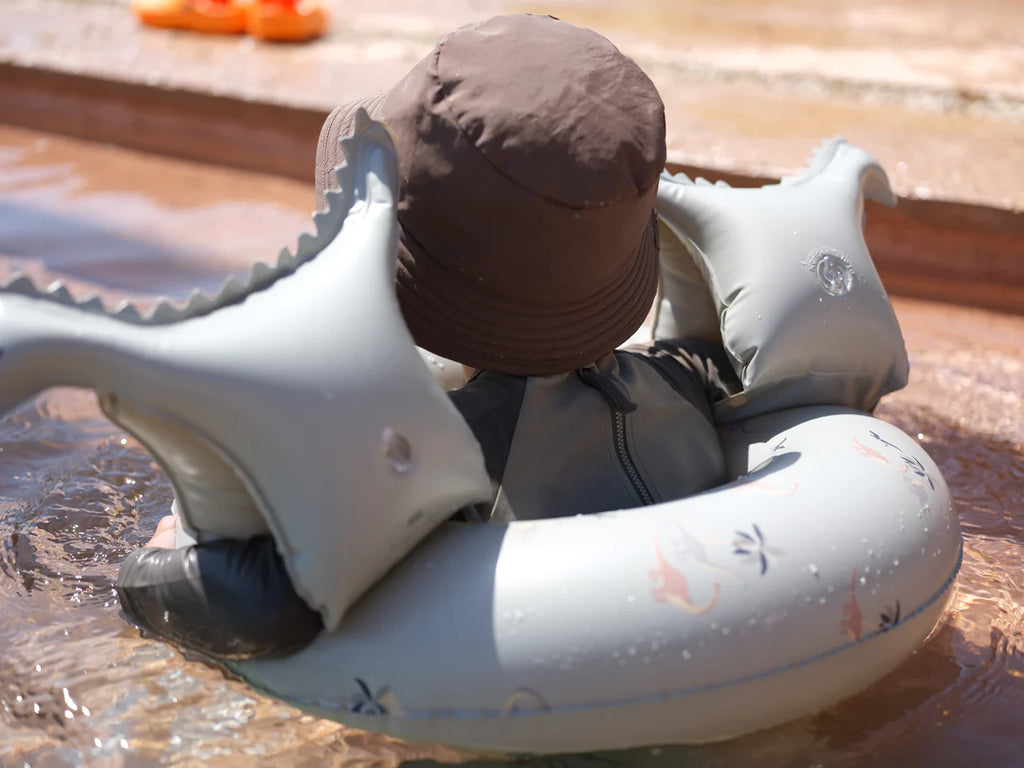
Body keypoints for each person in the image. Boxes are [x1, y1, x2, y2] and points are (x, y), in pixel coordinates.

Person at [115, 13, 741, 658]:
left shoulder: (430, 462)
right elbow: (706, 350)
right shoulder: (684, 385)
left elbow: (256, 603)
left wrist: (156, 569)